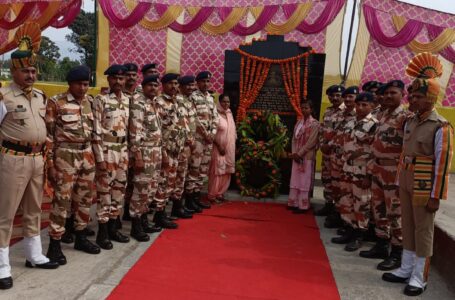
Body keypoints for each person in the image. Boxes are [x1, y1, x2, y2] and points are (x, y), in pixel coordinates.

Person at [383, 53, 453, 296]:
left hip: (425, 185)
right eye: (411, 94)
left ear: (431, 98)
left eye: (418, 96)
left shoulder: (440, 126)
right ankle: (406, 268)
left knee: (423, 230)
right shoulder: (411, 121)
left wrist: (436, 196)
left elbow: (443, 164)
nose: (412, 98)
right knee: (409, 225)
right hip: (406, 180)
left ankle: (419, 277)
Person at [0, 23, 59, 290]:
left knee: (34, 209)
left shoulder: (39, 97)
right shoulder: (4, 96)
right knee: (6, 212)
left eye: (34, 70)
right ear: (15, 72)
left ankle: (34, 255)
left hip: (37, 159)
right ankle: (2, 265)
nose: (31, 74)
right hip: (12, 159)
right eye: (26, 70)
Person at [45, 66, 101, 265]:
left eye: (86, 84)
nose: (83, 88)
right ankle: (55, 243)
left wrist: (97, 157)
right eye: (79, 84)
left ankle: (80, 236)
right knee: (62, 200)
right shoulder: (56, 102)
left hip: (87, 155)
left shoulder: (89, 102)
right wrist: (50, 165)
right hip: (65, 156)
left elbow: (94, 133)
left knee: (85, 198)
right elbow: (49, 137)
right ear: (70, 84)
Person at [360, 80, 411, 271]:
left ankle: (397, 254)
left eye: (393, 93)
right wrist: (371, 171)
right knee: (379, 210)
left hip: (393, 173)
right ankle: (381, 246)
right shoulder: (382, 115)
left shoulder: (406, 117)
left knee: (395, 214)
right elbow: (374, 146)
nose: (388, 96)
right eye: (386, 93)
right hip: (378, 170)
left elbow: (408, 148)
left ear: (402, 95)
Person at [93, 64, 131, 250]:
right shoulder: (101, 100)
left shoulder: (127, 101)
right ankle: (102, 232)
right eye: (115, 78)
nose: (118, 81)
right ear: (109, 79)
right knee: (104, 193)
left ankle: (113, 227)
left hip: (122, 151)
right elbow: (96, 131)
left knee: (118, 191)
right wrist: (99, 159)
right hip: (107, 150)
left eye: (121, 78)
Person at [336, 92, 377, 251]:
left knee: (361, 204)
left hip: (362, 170)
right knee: (347, 200)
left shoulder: (374, 124)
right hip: (347, 168)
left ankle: (360, 234)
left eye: (364, 105)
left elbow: (374, 151)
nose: (360, 107)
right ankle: (349, 229)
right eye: (358, 104)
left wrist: (369, 174)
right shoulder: (351, 122)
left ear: (372, 106)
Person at [128, 74, 164, 241]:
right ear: (144, 86)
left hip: (155, 152)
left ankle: (143, 220)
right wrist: (138, 156)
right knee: (141, 189)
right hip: (145, 152)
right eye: (150, 85)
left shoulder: (154, 103)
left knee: (150, 189)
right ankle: (135, 225)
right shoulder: (139, 102)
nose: (153, 88)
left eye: (155, 86)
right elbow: (135, 131)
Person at [153, 73, 187, 229]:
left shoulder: (177, 101)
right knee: (162, 183)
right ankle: (158, 215)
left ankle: (163, 212)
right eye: (170, 83)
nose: (174, 86)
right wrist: (163, 153)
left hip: (176, 149)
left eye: (176, 83)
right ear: (163, 85)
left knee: (170, 183)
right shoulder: (159, 102)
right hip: (165, 150)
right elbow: (157, 129)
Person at [185, 71, 219, 209]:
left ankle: (197, 198)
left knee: (203, 170)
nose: (206, 84)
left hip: (208, 141)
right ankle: (189, 200)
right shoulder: (193, 97)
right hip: (198, 140)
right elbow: (194, 119)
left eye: (208, 81)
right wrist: (205, 134)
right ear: (197, 83)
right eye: (203, 81)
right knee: (194, 168)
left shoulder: (210, 98)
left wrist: (213, 133)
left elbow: (216, 117)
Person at [327, 86, 358, 230]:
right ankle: (339, 216)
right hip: (335, 156)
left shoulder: (359, 116)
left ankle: (349, 224)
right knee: (336, 187)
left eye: (350, 96)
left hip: (350, 160)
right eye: (346, 97)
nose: (347, 99)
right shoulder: (340, 115)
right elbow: (334, 133)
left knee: (347, 192)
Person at [172, 75, 200, 215]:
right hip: (181, 145)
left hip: (190, 145)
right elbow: (180, 124)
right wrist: (189, 140)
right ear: (181, 86)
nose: (191, 87)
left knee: (184, 176)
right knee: (179, 177)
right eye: (188, 85)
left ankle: (181, 204)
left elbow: (193, 123)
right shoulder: (177, 101)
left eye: (192, 85)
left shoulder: (190, 101)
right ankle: (176, 208)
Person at [316, 85, 345, 217]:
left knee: (337, 182)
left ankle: (337, 211)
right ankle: (328, 205)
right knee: (326, 179)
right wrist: (322, 144)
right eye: (332, 95)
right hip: (326, 153)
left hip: (338, 154)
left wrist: (330, 144)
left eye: (338, 95)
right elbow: (322, 130)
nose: (334, 98)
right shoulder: (327, 111)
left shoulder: (348, 112)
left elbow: (343, 133)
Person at [288, 101, 319, 213]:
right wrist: (294, 153)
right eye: (302, 108)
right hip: (296, 156)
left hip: (306, 157)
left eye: (306, 108)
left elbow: (311, 142)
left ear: (311, 109)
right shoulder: (299, 122)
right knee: (295, 179)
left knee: (304, 181)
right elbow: (293, 139)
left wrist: (300, 153)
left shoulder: (315, 124)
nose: (304, 110)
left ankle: (303, 205)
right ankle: (293, 202)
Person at [208, 94, 236, 203]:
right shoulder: (215, 114)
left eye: (228, 102)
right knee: (217, 171)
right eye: (224, 102)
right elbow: (211, 132)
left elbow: (232, 132)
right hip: (218, 147)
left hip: (229, 148)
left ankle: (220, 193)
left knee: (226, 171)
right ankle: (212, 195)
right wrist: (219, 145)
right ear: (219, 102)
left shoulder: (229, 114)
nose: (226, 104)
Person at [123, 62, 140, 223]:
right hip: (120, 146)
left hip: (136, 145)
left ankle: (129, 209)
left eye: (134, 75)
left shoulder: (139, 96)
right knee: (120, 181)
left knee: (134, 180)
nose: (131, 78)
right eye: (128, 75)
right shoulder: (117, 95)